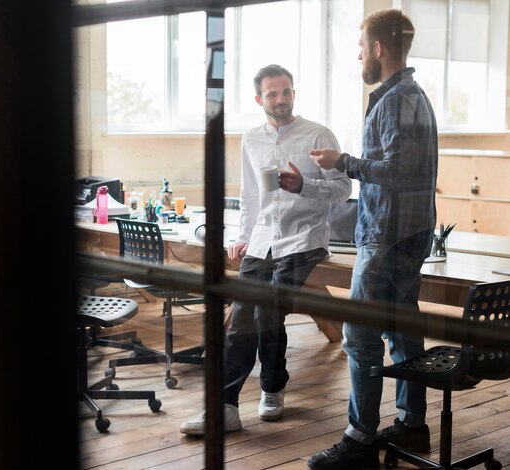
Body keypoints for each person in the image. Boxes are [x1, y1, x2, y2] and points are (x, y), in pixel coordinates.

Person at [180, 64, 351, 435]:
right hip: (261, 240)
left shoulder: (318, 134)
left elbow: (343, 191)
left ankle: (272, 387)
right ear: (260, 99)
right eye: (272, 93)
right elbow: (250, 195)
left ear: (294, 93)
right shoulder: (251, 139)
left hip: (303, 240)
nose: (281, 99)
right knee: (242, 316)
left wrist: (304, 186)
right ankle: (224, 407)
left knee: (267, 312)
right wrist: (243, 235)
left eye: (286, 91)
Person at [307, 9, 438, 469]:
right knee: (403, 332)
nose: (358, 53)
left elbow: (398, 170)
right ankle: (412, 425)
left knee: (360, 335)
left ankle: (360, 440)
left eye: (362, 45)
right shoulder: (408, 96)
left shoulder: (398, 99)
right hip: (405, 232)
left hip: (388, 236)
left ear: (379, 48)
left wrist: (344, 162)